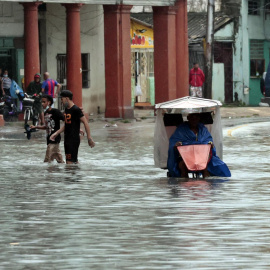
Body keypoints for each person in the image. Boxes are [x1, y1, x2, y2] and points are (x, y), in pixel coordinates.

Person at [167, 113, 231, 178]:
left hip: (201, 156)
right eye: (192, 118)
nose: (194, 120)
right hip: (185, 157)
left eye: (196, 118)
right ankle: (185, 183)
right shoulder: (181, 129)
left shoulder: (203, 129)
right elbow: (174, 142)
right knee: (182, 165)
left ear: (199, 119)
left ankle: (206, 183)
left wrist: (210, 144)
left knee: (206, 165)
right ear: (188, 118)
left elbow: (208, 140)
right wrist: (176, 145)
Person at [50, 90, 95, 164]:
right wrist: (56, 133)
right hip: (67, 139)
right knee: (74, 162)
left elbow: (85, 122)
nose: (61, 101)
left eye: (62, 99)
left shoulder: (75, 109)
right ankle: (77, 174)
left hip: (73, 139)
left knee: (69, 163)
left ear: (67, 99)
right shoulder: (67, 109)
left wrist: (89, 138)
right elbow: (67, 124)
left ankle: (72, 175)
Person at [30, 95, 65, 163]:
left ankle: (49, 172)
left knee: (47, 160)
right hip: (49, 138)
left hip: (54, 138)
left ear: (49, 102)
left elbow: (66, 121)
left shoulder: (56, 112)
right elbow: (46, 127)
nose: (42, 104)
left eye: (44, 102)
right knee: (59, 159)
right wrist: (36, 127)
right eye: (41, 102)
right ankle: (66, 170)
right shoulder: (46, 113)